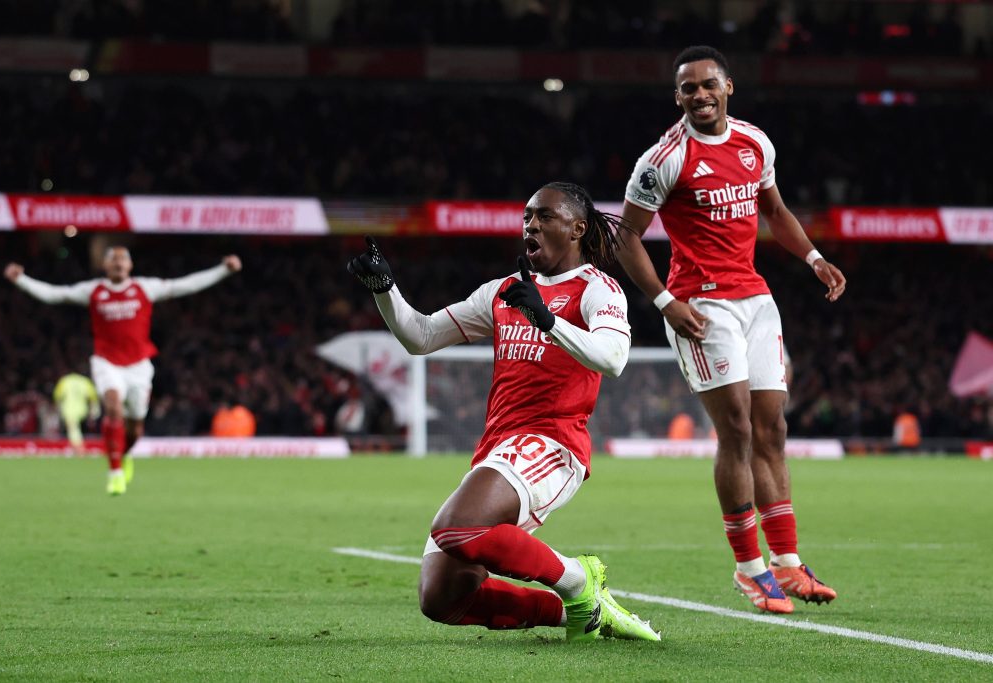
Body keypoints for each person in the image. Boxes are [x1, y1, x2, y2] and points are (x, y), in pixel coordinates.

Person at [348, 182, 660, 642]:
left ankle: (578, 579)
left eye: (545, 216)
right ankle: (579, 615)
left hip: (552, 445)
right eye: (527, 216)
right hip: (499, 447)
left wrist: (548, 321)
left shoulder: (598, 289)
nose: (530, 224)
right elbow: (421, 337)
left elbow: (614, 359)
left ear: (577, 228)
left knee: (456, 528)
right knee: (442, 597)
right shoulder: (503, 292)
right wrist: (384, 289)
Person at [614, 45, 847, 614]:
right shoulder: (662, 160)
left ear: (728, 87)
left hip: (756, 300)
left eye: (707, 84)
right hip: (701, 306)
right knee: (737, 430)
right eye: (688, 88)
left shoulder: (754, 142)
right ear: (678, 98)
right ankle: (749, 569)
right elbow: (626, 236)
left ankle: (788, 565)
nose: (699, 94)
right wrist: (665, 301)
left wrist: (814, 258)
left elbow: (775, 211)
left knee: (772, 428)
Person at [4, 247, 242, 495]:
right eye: (113, 259)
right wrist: (21, 279)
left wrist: (223, 270)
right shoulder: (94, 291)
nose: (118, 263)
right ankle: (115, 472)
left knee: (135, 428)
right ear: (105, 267)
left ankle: (124, 455)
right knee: (113, 406)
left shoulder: (145, 288)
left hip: (138, 365)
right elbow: (55, 294)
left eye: (123, 259)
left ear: (130, 265)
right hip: (107, 362)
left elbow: (187, 285)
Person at [53, 370, 100, 453]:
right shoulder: (85, 381)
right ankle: (77, 447)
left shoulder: (64, 380)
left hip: (69, 409)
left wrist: (57, 409)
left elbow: (57, 396)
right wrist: (93, 411)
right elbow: (93, 397)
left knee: (73, 429)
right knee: (76, 428)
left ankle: (79, 448)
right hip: (82, 409)